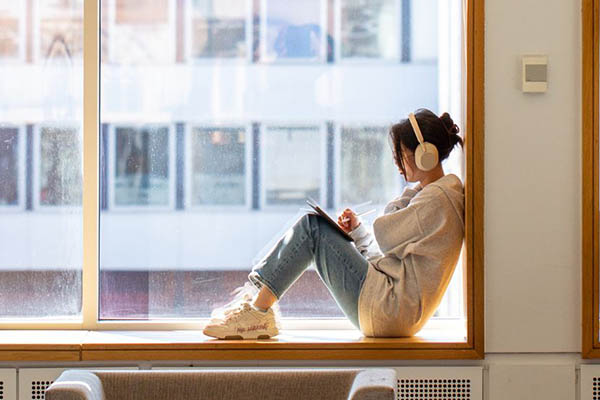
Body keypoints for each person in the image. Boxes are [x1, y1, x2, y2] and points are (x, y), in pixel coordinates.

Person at [203, 108, 465, 339]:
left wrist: (408, 195)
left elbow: (385, 234)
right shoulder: (435, 196)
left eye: (401, 155)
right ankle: (256, 304)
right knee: (315, 228)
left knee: (312, 228)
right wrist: (359, 234)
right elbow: (391, 256)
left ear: (425, 155)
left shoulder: (436, 200)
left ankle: (257, 312)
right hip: (391, 309)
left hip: (388, 309)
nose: (397, 165)